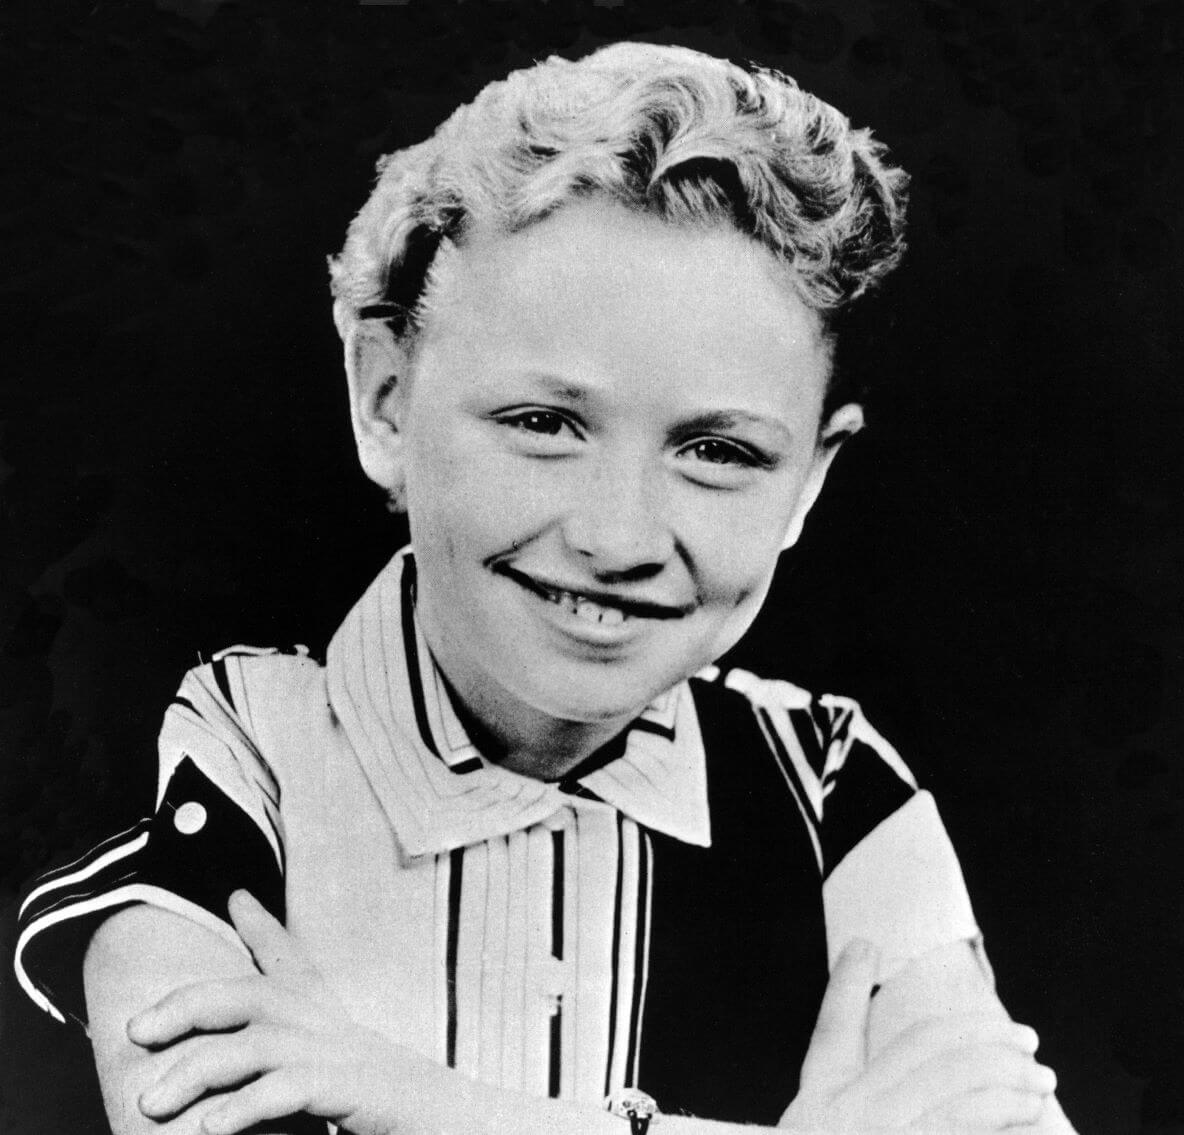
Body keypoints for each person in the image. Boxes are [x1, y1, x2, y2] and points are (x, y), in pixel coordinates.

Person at [13, 42, 1076, 1134]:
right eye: (543, 424)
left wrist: (407, 1099)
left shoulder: (831, 786)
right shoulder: (245, 744)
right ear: (384, 399)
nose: (618, 537)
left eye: (717, 451)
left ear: (810, 478)